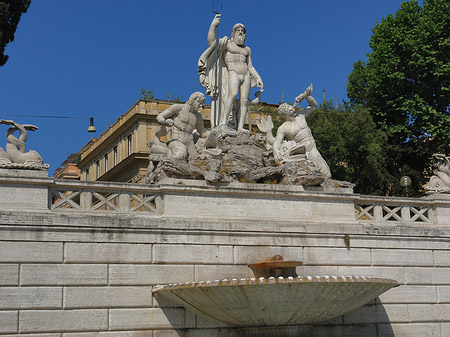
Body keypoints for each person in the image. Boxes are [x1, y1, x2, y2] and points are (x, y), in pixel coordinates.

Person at [198, 14, 263, 132]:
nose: (241, 32)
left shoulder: (247, 49)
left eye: (243, 31)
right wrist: (213, 25)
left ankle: (240, 127)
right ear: (233, 33)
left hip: (246, 75)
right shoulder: (226, 43)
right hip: (233, 72)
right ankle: (223, 122)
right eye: (238, 30)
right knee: (232, 95)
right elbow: (212, 42)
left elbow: (250, 66)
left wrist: (258, 77)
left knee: (244, 101)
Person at [257, 84, 331, 178]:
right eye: (288, 107)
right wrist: (275, 150)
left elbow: (314, 106)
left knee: (327, 175)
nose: (291, 107)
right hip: (304, 153)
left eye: (289, 106)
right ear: (285, 113)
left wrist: (306, 96)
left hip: (313, 150)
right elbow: (277, 142)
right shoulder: (284, 127)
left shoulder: (301, 115)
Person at [149, 92, 208, 161]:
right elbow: (159, 117)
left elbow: (203, 133)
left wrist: (216, 133)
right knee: (181, 154)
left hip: (190, 144)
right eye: (198, 102)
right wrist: (165, 122)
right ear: (192, 100)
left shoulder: (198, 116)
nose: (200, 105)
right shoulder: (178, 108)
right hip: (176, 141)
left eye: (201, 103)